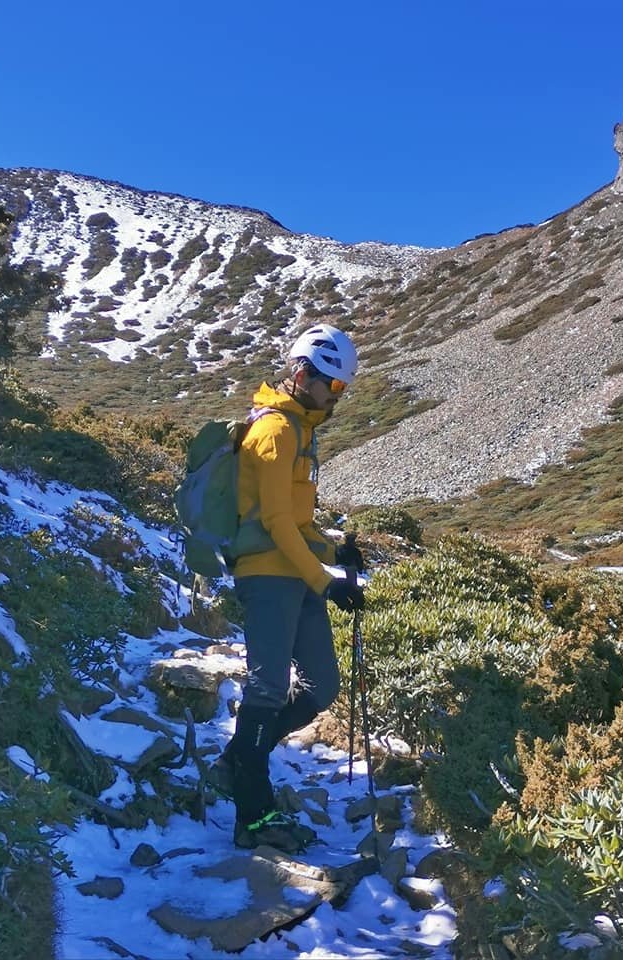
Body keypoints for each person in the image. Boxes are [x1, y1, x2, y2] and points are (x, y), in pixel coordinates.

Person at [209, 323, 365, 853]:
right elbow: (275, 520)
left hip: (297, 573)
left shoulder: (302, 429)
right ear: (302, 374)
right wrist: (325, 581)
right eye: (332, 386)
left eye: (342, 388)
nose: (335, 397)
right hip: (269, 577)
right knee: (268, 688)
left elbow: (297, 520)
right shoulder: (276, 430)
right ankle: (252, 817)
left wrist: (334, 549)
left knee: (321, 688)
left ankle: (237, 762)